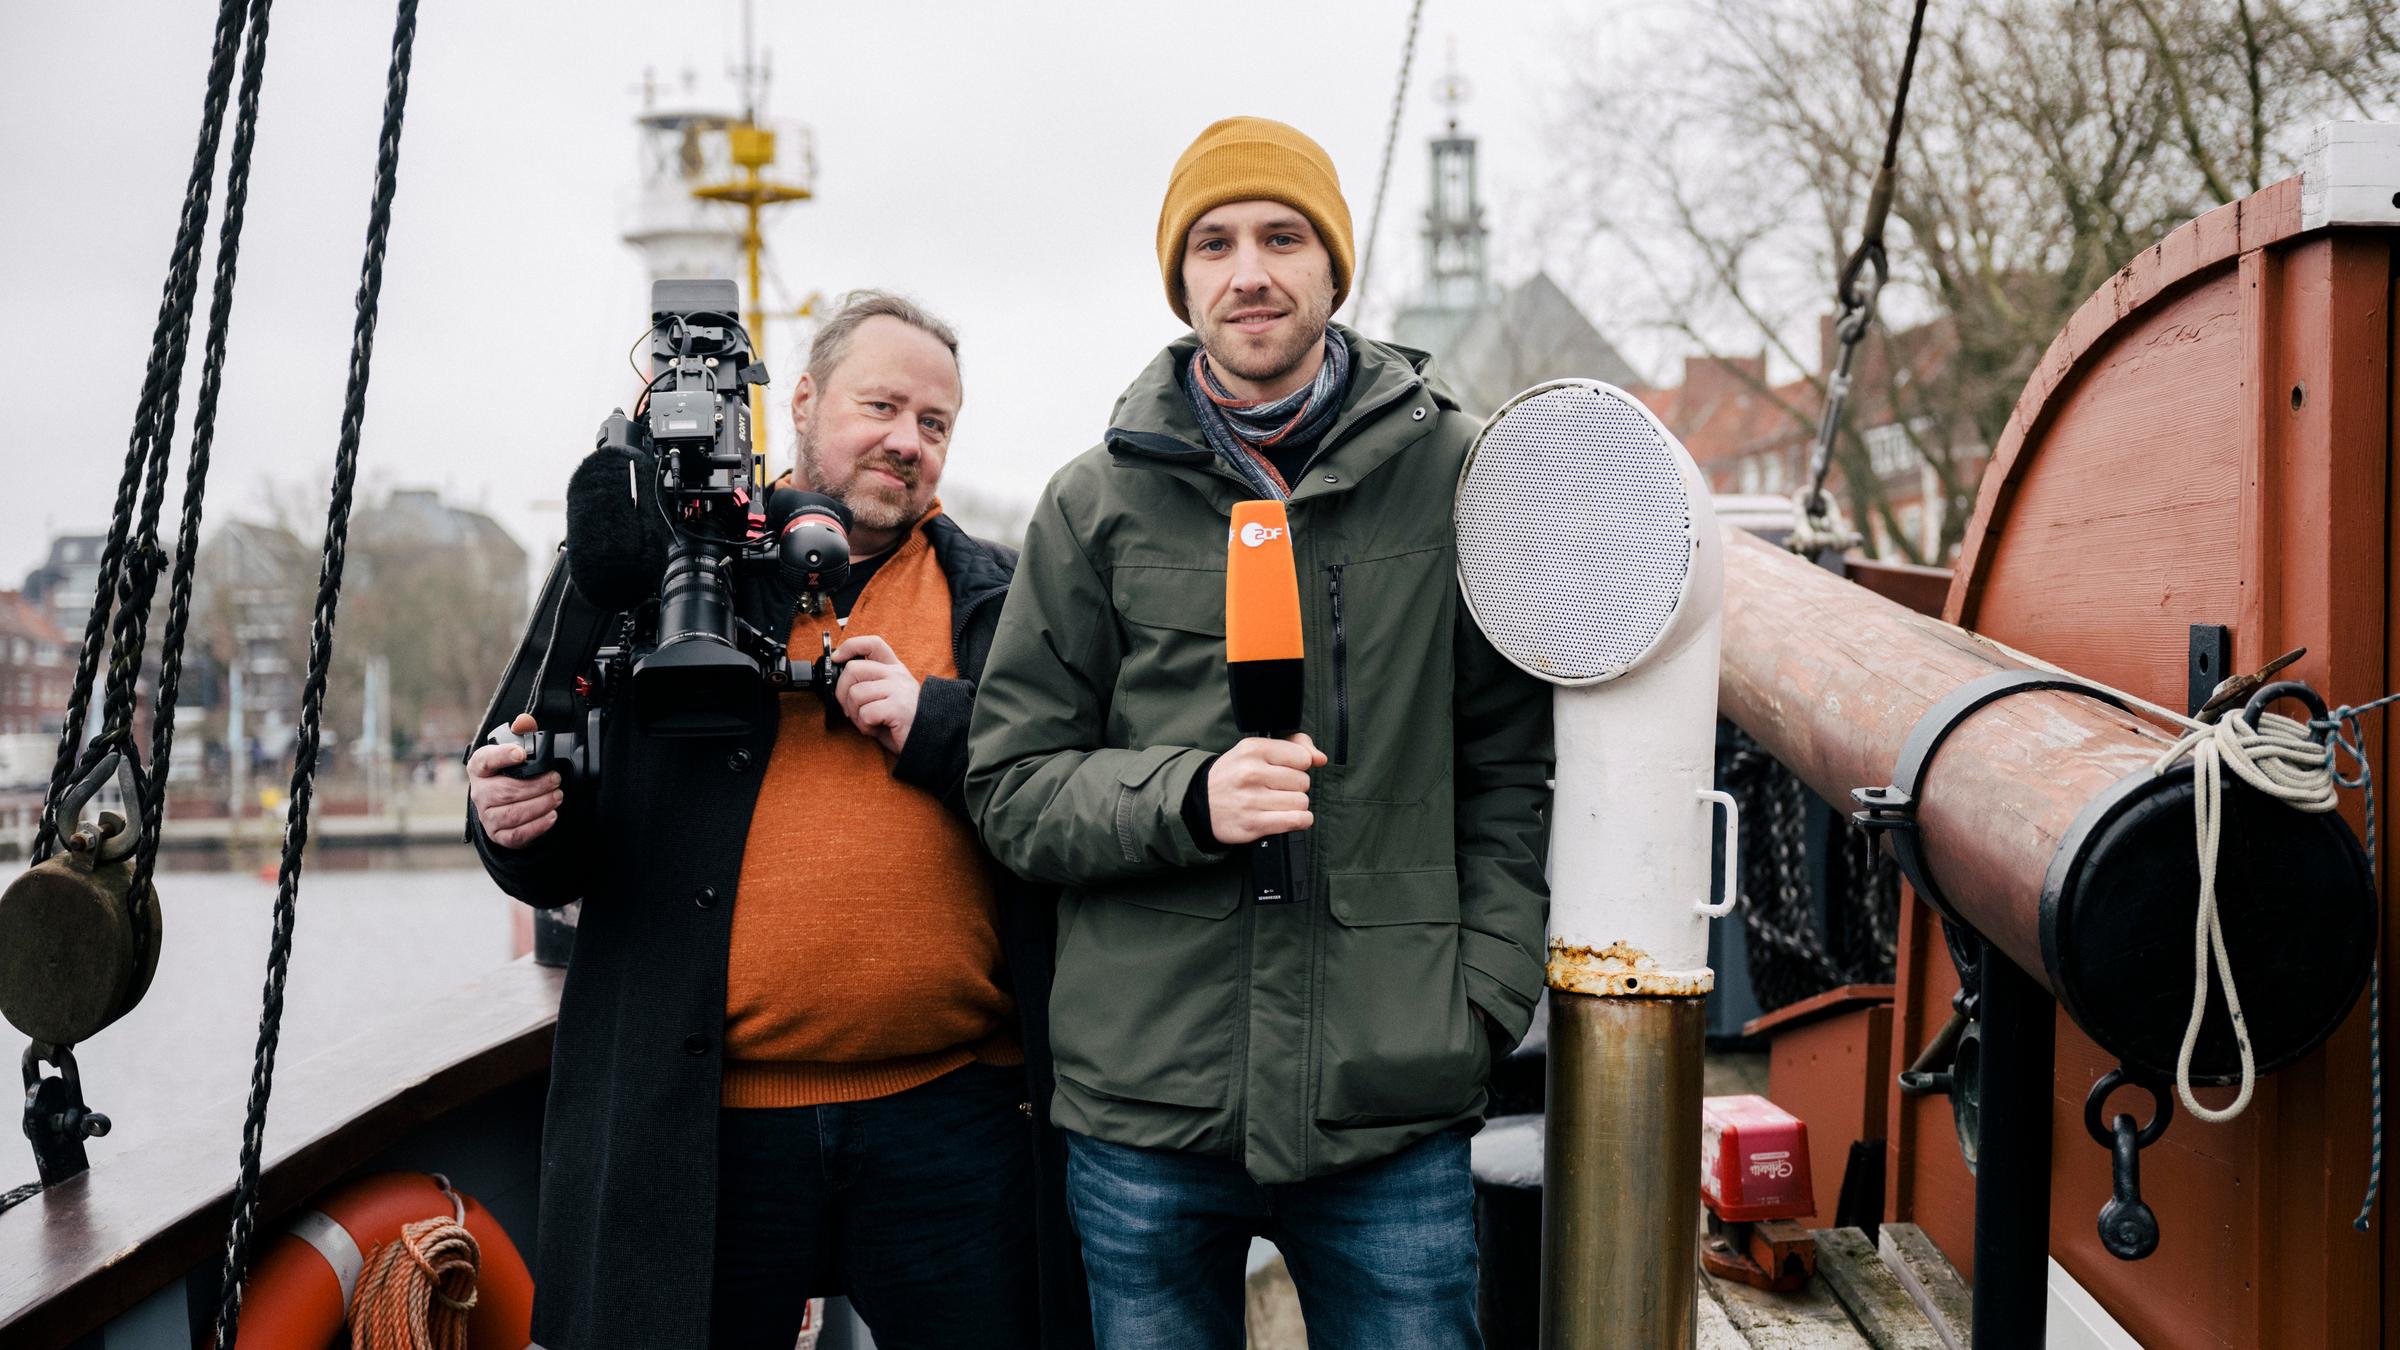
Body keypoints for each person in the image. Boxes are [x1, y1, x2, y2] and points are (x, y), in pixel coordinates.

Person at [965, 118, 1552, 1350]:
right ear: (1181, 282)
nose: (1251, 272)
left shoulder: (1462, 471)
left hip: (1391, 1100)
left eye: (1284, 238)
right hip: (1147, 1109)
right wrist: (1187, 798)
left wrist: (1483, 996)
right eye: (1216, 243)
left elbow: (1511, 761)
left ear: (1334, 269)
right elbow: (1013, 786)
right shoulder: (1093, 505)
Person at [469, 290, 1080, 1350]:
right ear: (802, 401)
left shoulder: (997, 599)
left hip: (952, 1124)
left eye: (934, 424)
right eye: (881, 406)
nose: (907, 441)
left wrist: (935, 720)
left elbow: (1069, 783)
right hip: (698, 1135)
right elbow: (536, 781)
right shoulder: (644, 570)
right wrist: (512, 817)